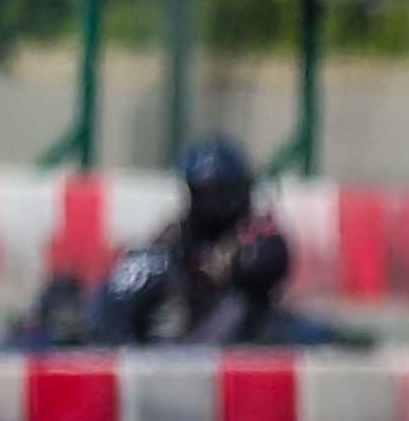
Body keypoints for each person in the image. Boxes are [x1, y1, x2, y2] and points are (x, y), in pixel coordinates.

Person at [96, 135, 298, 347]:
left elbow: (263, 262)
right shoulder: (177, 237)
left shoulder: (254, 234)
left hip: (239, 332)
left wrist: (222, 266)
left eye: (216, 192)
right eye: (202, 192)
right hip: (181, 331)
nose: (209, 201)